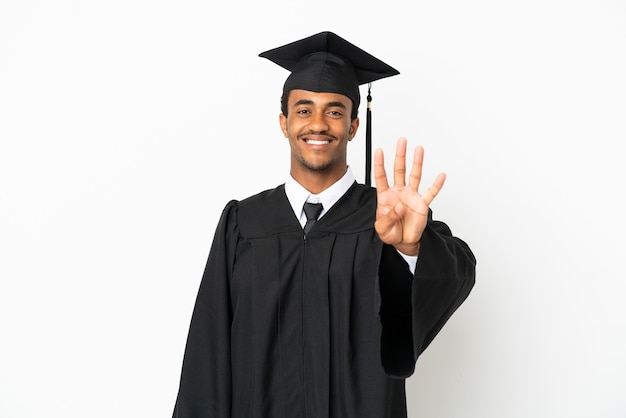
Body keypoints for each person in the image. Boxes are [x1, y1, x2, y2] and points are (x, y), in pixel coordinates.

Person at [172, 31, 476, 418]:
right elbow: (208, 353)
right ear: (284, 122)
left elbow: (456, 277)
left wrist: (409, 251)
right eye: (303, 109)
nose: (318, 124)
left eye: (334, 111)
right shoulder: (243, 223)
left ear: (352, 126)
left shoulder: (388, 218)